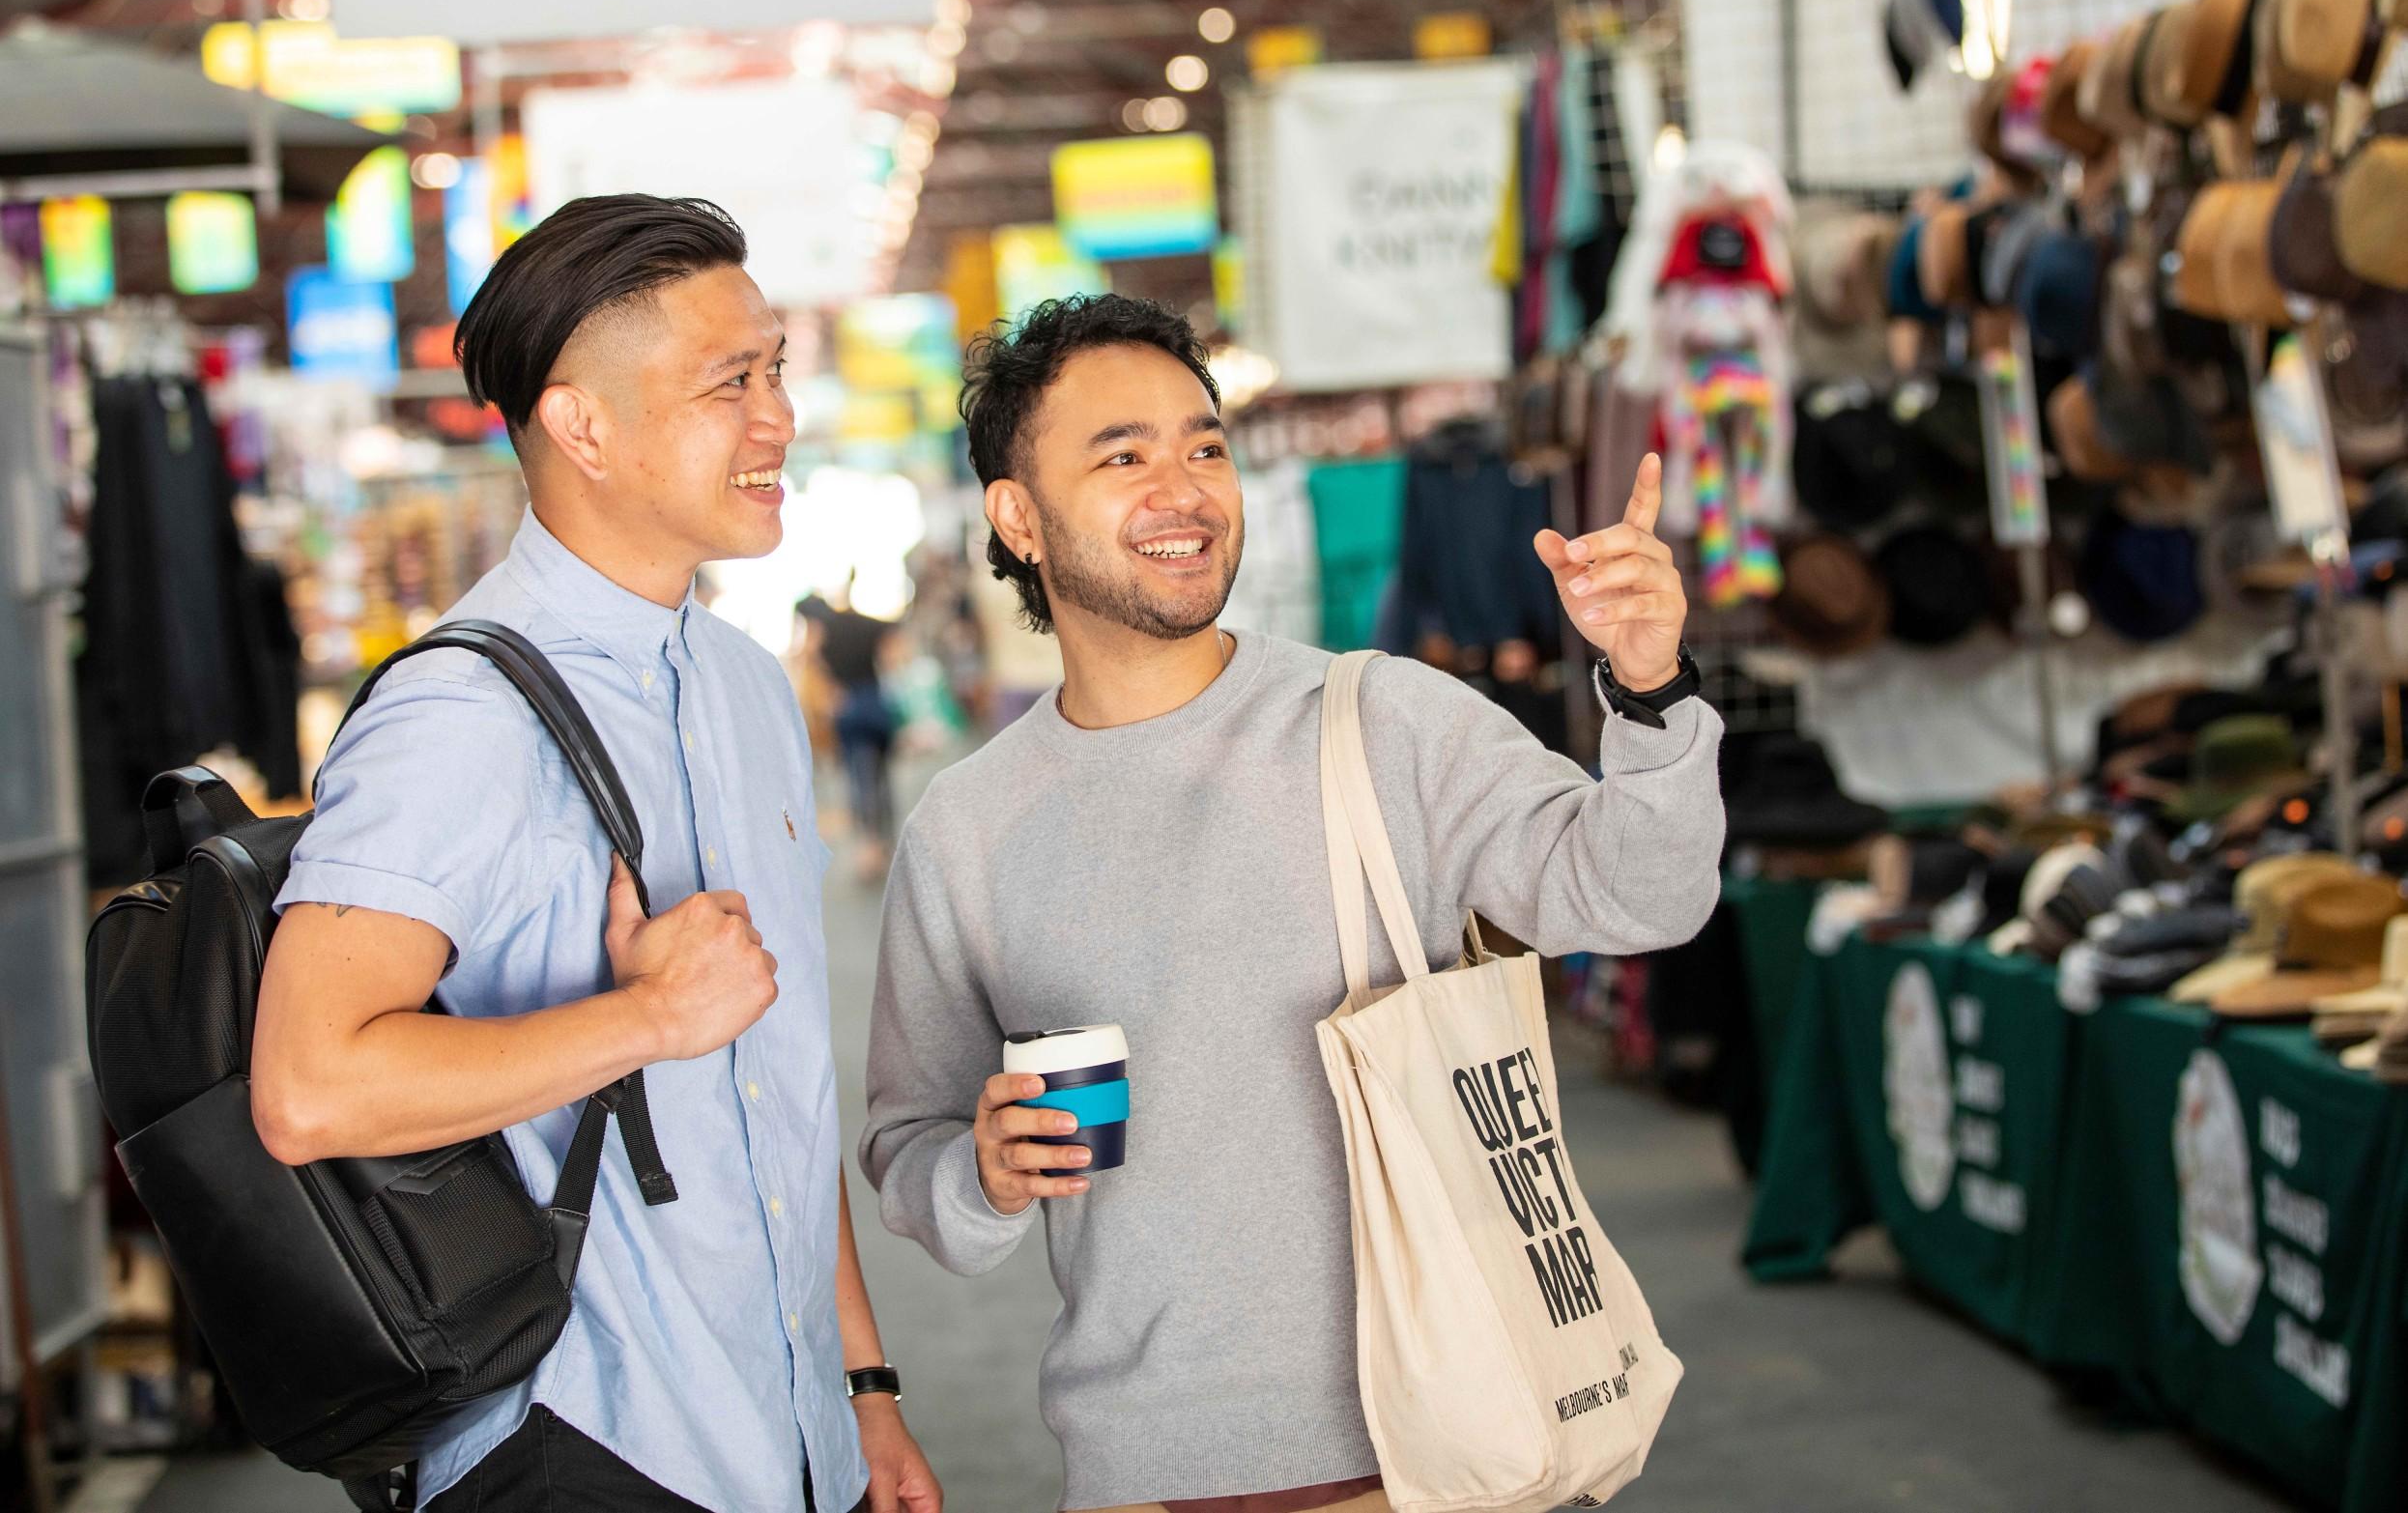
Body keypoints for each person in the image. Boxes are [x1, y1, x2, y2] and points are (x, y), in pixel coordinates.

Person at [860, 295, 1724, 1513]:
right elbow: (910, 1150)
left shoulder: (1378, 718)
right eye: (1123, 454)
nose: (1185, 487)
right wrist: (986, 1174)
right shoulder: (967, 826)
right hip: (1138, 1467)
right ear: (1017, 515)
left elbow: (1644, 894)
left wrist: (1647, 685)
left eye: (1203, 445)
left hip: (1432, 1439)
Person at [251, 195, 939, 1513]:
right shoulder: (459, 716)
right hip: (589, 1445)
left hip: (792, 1439)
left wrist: (862, 1391)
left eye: (776, 370)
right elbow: (307, 1085)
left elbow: (773, 1099)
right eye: (729, 381)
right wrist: (639, 1018)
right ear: (582, 425)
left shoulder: (741, 686)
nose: (778, 417)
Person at [796, 585, 902, 876]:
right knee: (882, 776)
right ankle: (887, 840)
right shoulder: (866, 623)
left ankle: (869, 847)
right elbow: (894, 642)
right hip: (876, 703)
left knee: (859, 777)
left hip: (848, 708)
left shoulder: (823, 631)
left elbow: (809, 659)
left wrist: (830, 687)